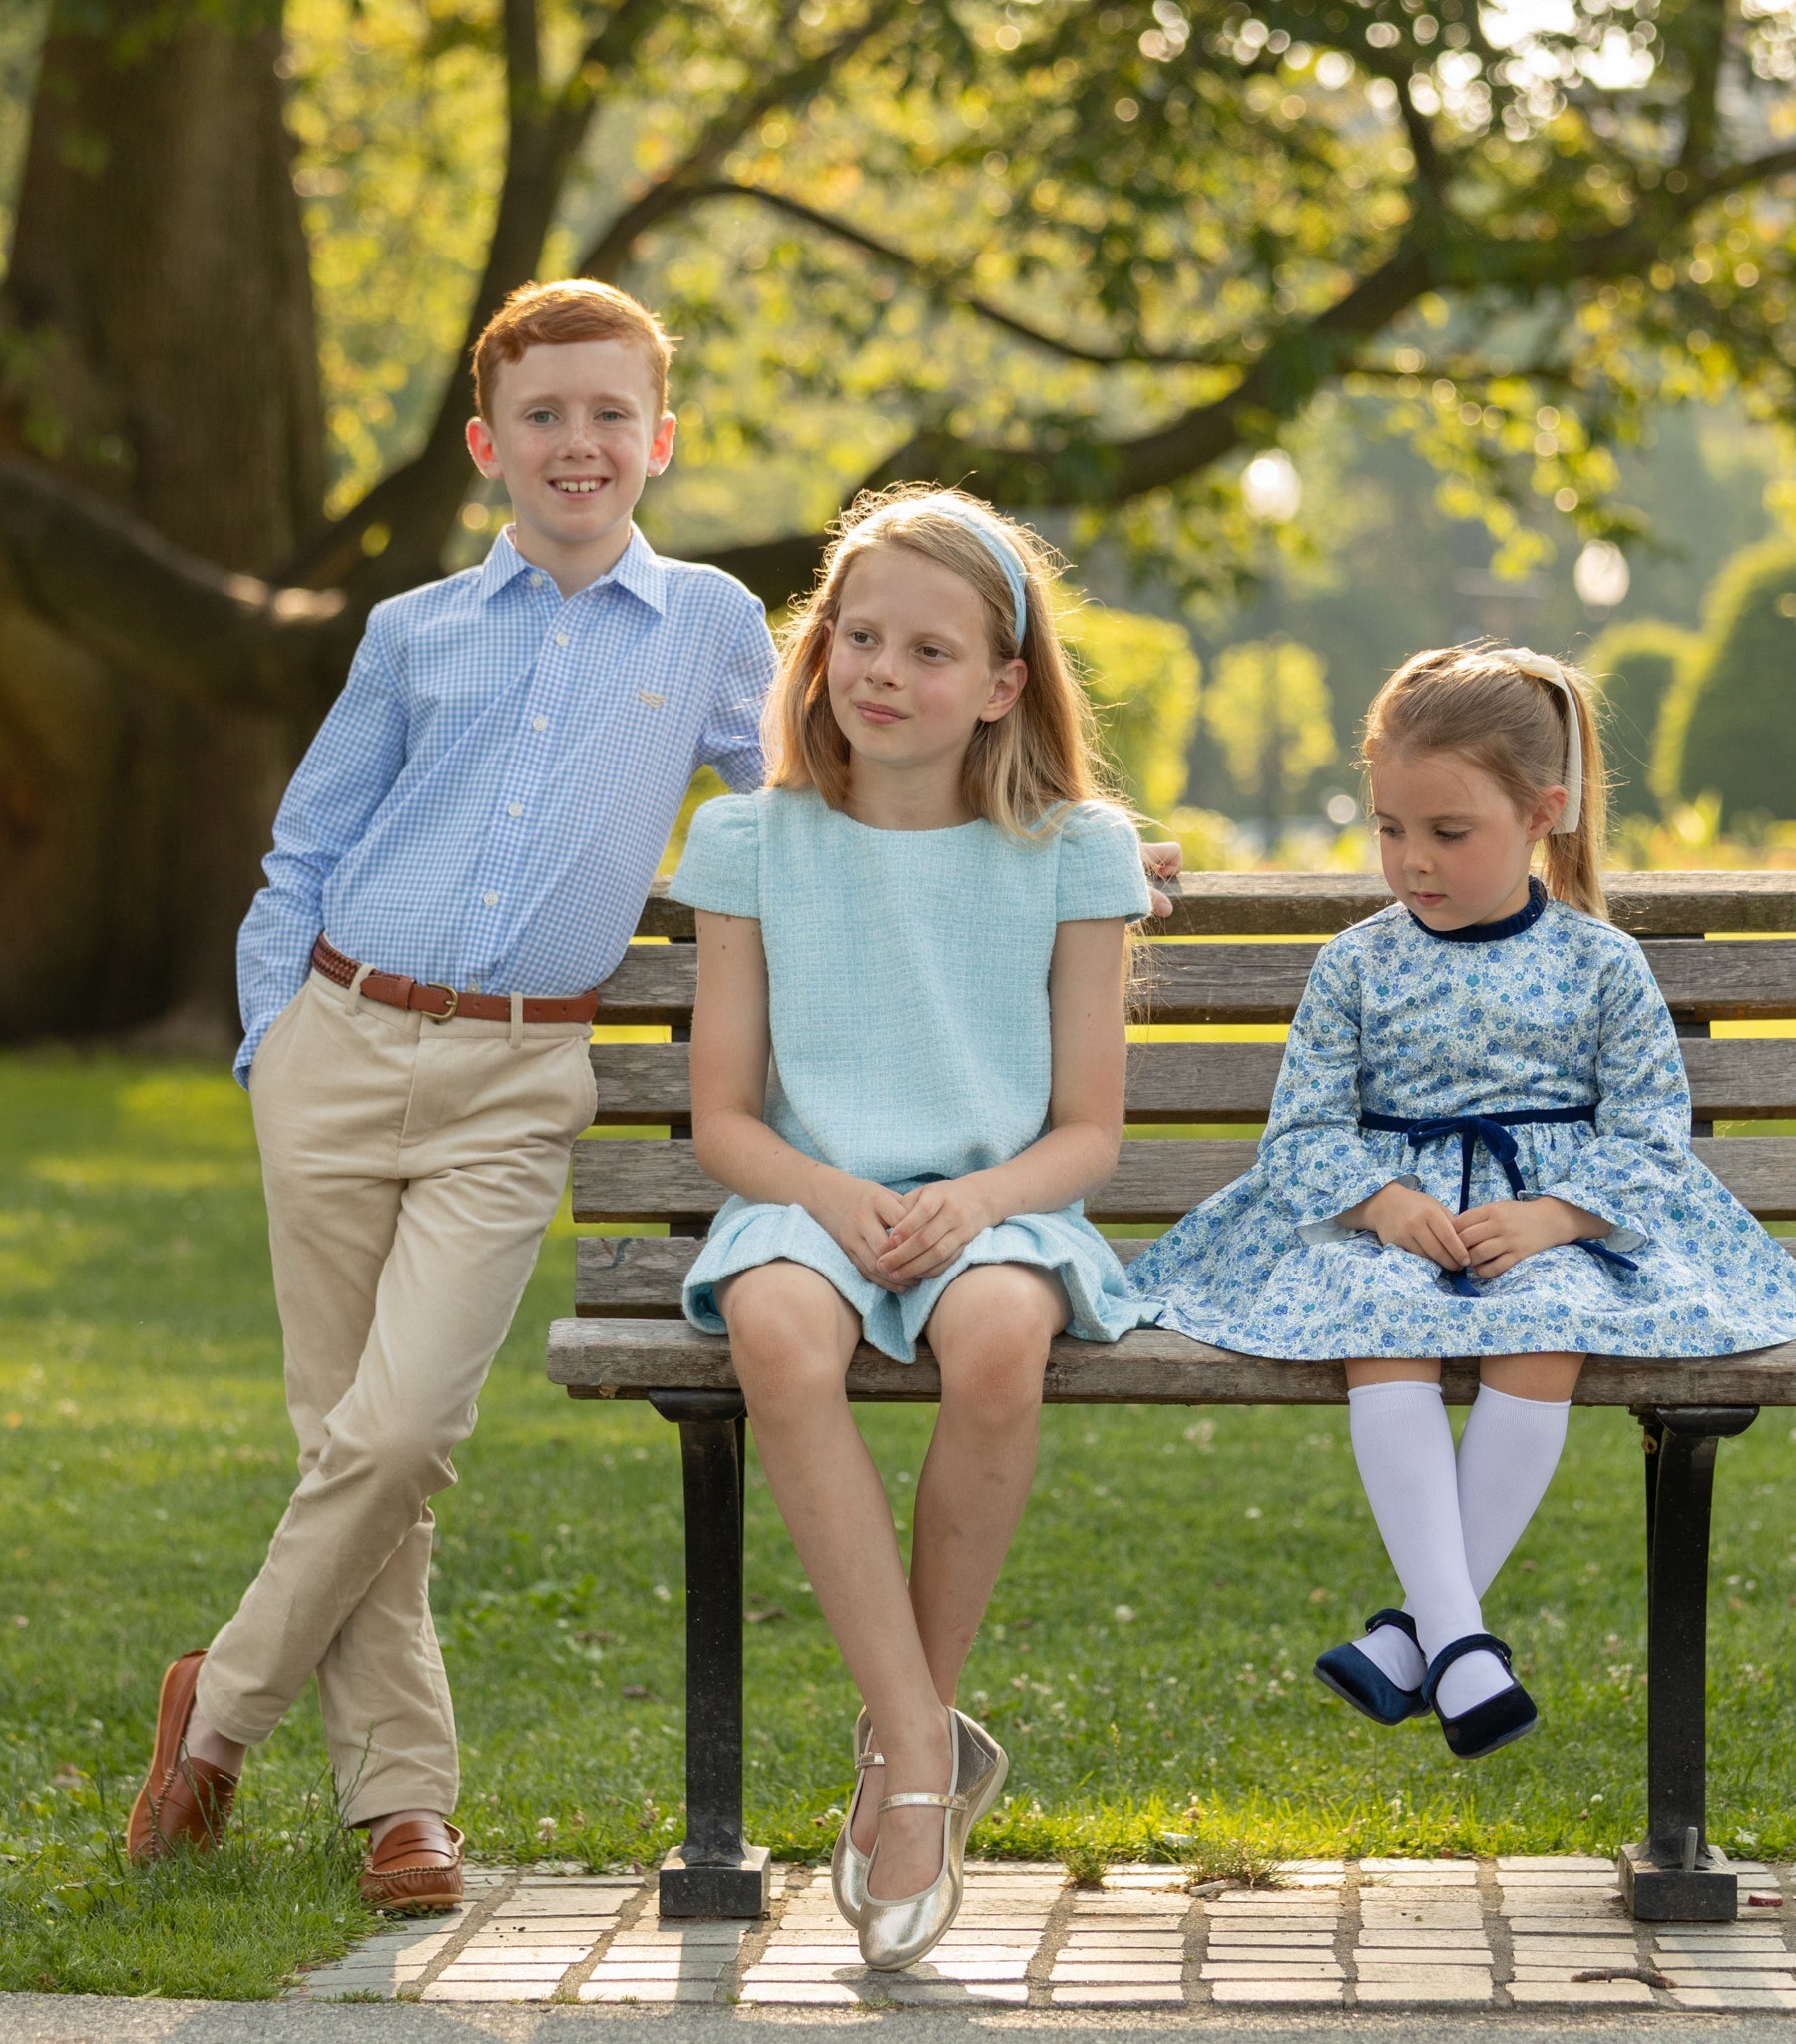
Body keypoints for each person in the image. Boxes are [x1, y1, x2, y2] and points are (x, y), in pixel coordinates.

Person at [121, 265, 1179, 1912]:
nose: (576, 442)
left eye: (609, 413)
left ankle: (224, 1703)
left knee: (403, 1430)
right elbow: (310, 843)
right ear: (486, 442)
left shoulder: (702, 633)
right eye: (542, 415)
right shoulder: (413, 634)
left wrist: (1074, 833)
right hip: (336, 1037)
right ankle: (401, 1799)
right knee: (349, 1440)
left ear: (657, 438)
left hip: (515, 1065)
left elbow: (835, 755)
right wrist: (274, 1041)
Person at [1132, 643, 1796, 1760]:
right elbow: (1304, 1131)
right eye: (1387, 828)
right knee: (1377, 1321)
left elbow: (1648, 1133)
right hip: (1386, 1225)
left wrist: (1556, 1216)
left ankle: (1418, 1634)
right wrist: (1378, 1201)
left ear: (1543, 814)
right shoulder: (1355, 965)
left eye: (1445, 832)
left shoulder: (1600, 965)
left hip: (1552, 1225)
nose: (1408, 860)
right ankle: (1462, 1639)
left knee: (1550, 1319)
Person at [673, 487, 1155, 1969]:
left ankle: (906, 1768)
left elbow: (1086, 1130)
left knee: (1003, 1332)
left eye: (929, 651)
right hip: (810, 1200)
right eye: (858, 637)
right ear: (818, 655)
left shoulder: (1073, 852)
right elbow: (726, 1121)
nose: (884, 671)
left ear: (1005, 686)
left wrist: (974, 1202)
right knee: (773, 1328)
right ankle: (924, 1750)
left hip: (995, 1205)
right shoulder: (756, 840)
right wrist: (831, 1196)